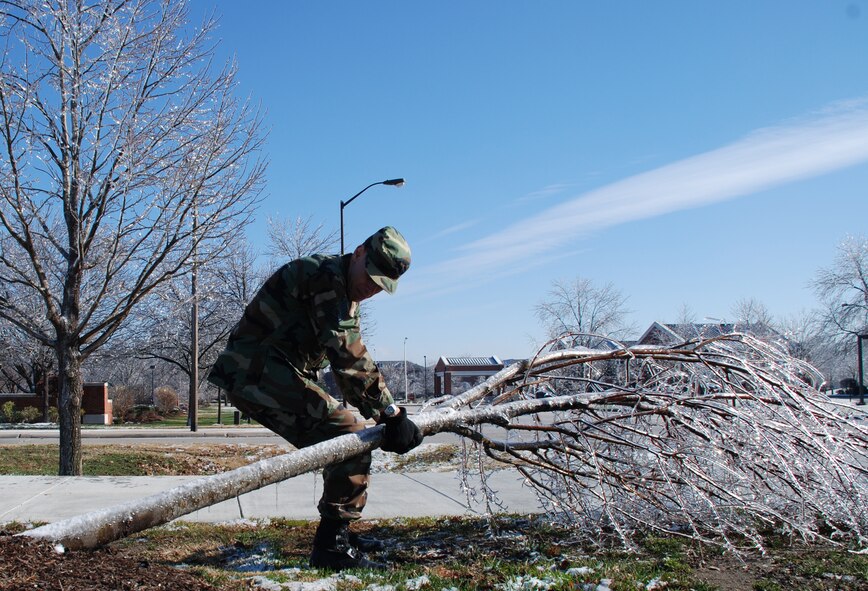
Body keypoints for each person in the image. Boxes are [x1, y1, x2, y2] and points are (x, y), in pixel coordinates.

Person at [208, 226, 423, 570]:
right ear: (358, 253)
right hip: (257, 373)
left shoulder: (343, 291)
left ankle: (339, 534)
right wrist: (390, 412)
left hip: (272, 373)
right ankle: (330, 547)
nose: (370, 288)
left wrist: (385, 411)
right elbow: (347, 355)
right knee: (351, 436)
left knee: (350, 440)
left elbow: (345, 360)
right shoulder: (326, 279)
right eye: (370, 275)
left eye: (379, 285)